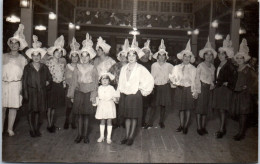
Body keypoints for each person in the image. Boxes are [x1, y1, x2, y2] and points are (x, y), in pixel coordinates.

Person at [117, 36, 154, 146]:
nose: (131, 57)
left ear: (137, 57)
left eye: (134, 55)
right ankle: (126, 136)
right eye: (129, 55)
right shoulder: (123, 68)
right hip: (125, 95)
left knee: (133, 117)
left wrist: (141, 88)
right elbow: (120, 82)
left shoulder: (140, 68)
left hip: (135, 96)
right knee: (127, 116)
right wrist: (118, 93)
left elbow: (150, 79)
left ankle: (131, 137)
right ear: (127, 56)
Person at [67, 33, 99, 144]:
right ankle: (79, 134)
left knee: (86, 116)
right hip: (79, 92)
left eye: (87, 56)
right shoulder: (77, 68)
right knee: (79, 115)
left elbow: (95, 83)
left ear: (90, 57)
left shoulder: (93, 68)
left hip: (89, 93)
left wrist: (94, 95)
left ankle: (85, 135)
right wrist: (71, 95)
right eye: (82, 56)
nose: (84, 58)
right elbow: (73, 82)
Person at [22, 35, 52, 137]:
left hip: (41, 92)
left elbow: (49, 78)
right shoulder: (28, 67)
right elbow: (24, 81)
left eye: (38, 55)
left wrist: (48, 82)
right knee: (31, 111)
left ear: (41, 56)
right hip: (31, 92)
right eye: (34, 55)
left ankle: (36, 128)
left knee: (39, 110)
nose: (36, 57)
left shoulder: (44, 67)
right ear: (31, 56)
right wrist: (25, 94)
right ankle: (31, 129)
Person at [2, 24, 28, 136]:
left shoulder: (23, 59)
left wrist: (22, 88)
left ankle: (10, 129)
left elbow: (24, 75)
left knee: (13, 107)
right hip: (2, 84)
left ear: (19, 45)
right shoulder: (3, 56)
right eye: (11, 43)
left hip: (16, 85)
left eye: (16, 43)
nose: (13, 45)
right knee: (2, 108)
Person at [169, 39, 199, 134]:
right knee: (181, 108)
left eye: (188, 57)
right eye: (184, 56)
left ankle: (186, 126)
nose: (186, 58)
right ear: (182, 57)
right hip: (180, 89)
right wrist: (172, 80)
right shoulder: (176, 67)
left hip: (189, 89)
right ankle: (181, 125)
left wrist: (195, 91)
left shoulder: (194, 69)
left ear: (191, 58)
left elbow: (196, 81)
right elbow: (173, 78)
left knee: (188, 109)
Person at [231, 39, 257, 141]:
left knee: (243, 114)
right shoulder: (236, 69)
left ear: (244, 58)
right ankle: (240, 131)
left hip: (245, 95)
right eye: (237, 58)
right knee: (238, 114)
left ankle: (241, 133)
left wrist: (248, 86)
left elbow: (256, 80)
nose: (239, 60)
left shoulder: (248, 69)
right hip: (237, 94)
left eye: (241, 58)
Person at [144, 39, 173, 129]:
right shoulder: (154, 65)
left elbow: (174, 76)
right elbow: (152, 76)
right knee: (153, 105)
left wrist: (170, 80)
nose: (161, 57)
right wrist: (151, 87)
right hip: (156, 87)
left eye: (163, 56)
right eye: (159, 55)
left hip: (165, 86)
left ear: (165, 57)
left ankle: (161, 121)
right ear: (157, 56)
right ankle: (150, 122)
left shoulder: (169, 66)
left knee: (163, 105)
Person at [212, 35, 237, 139]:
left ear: (227, 55)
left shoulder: (229, 65)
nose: (220, 55)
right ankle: (222, 128)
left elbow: (234, 77)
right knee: (220, 109)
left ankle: (222, 130)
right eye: (219, 53)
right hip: (219, 89)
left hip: (225, 90)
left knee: (223, 110)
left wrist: (228, 83)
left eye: (223, 54)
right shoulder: (220, 64)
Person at [195, 38, 216, 135]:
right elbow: (196, 78)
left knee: (206, 108)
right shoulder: (200, 66)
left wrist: (212, 85)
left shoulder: (213, 67)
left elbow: (212, 79)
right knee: (200, 108)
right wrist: (198, 89)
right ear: (204, 56)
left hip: (208, 90)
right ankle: (199, 127)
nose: (208, 56)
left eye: (210, 55)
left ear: (212, 56)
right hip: (201, 89)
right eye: (206, 54)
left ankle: (203, 127)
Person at [46, 35, 67, 133]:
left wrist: (63, 85)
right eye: (57, 52)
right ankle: (49, 125)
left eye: (60, 52)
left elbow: (63, 75)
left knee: (54, 106)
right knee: (50, 106)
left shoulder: (62, 63)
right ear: (53, 52)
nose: (58, 54)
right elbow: (46, 75)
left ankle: (52, 124)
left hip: (58, 86)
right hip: (51, 85)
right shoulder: (49, 62)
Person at [108, 39, 129, 128]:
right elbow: (108, 75)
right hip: (116, 87)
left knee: (125, 105)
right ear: (119, 56)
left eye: (125, 55)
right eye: (122, 55)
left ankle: (123, 122)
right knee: (116, 105)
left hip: (127, 88)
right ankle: (115, 122)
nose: (123, 57)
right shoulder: (115, 66)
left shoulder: (130, 66)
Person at [95, 72, 118, 144]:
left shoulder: (111, 88)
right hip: (101, 105)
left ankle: (108, 137)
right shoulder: (99, 88)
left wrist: (116, 99)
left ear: (109, 81)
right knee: (102, 120)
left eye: (106, 79)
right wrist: (96, 103)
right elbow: (97, 97)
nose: (105, 81)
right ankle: (102, 136)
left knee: (109, 121)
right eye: (103, 79)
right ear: (100, 81)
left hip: (109, 105)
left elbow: (115, 96)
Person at [63, 37, 80, 129]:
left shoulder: (80, 67)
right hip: (69, 88)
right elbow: (67, 78)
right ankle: (67, 120)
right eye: (73, 56)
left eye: (76, 56)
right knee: (69, 106)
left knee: (75, 106)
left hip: (78, 89)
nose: (74, 58)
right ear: (70, 57)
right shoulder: (68, 66)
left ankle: (73, 122)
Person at [139, 39, 154, 128]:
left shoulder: (152, 64)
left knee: (146, 106)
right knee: (138, 105)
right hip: (138, 87)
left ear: (150, 54)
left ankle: (144, 122)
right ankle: (138, 121)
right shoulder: (137, 63)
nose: (145, 54)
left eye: (147, 52)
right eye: (144, 52)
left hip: (148, 87)